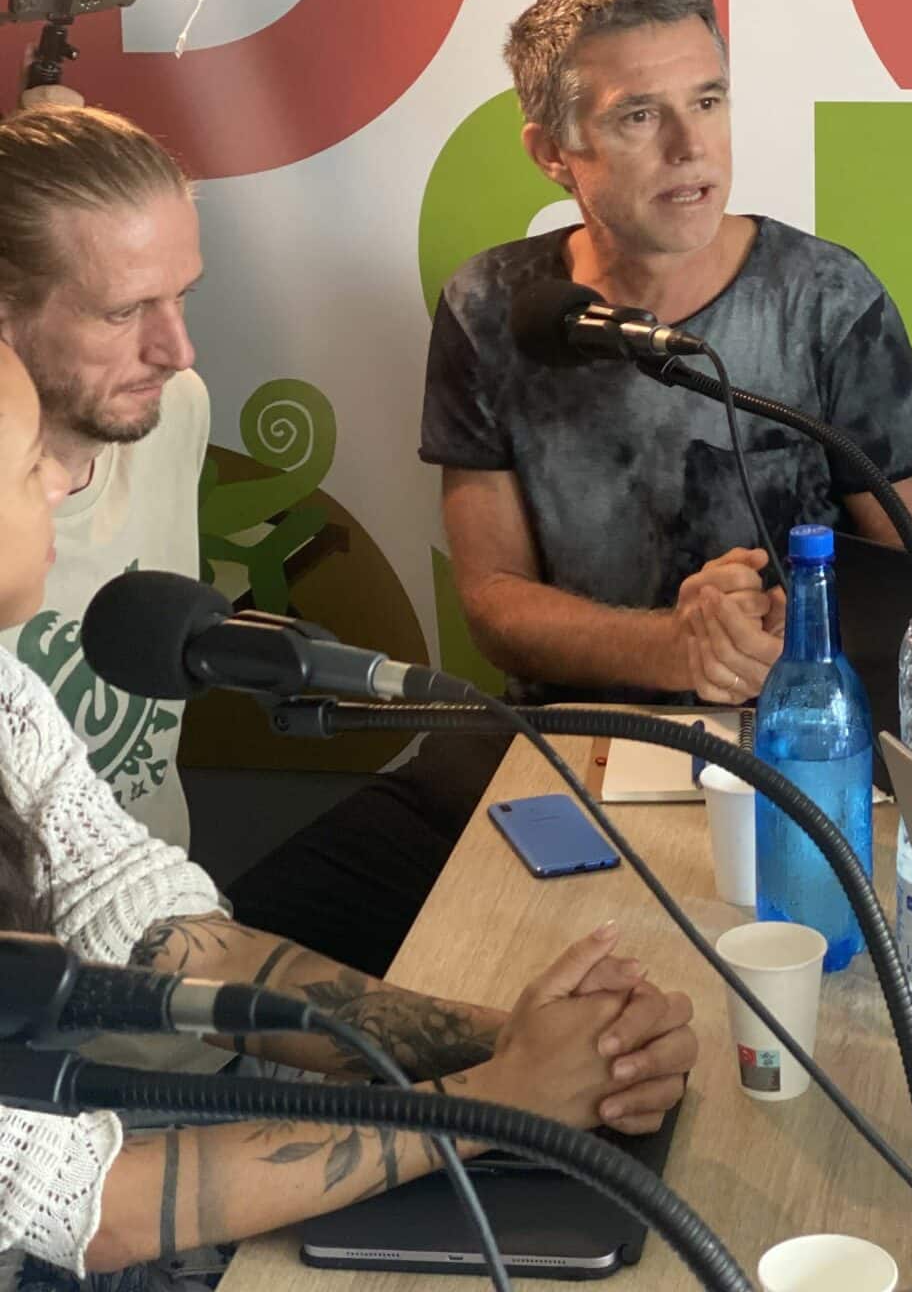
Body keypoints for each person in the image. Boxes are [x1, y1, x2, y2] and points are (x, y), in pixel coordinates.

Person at [229, 0, 912, 973]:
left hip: (788, 746)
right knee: (241, 941)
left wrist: (786, 631)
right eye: (640, 116)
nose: (693, 147)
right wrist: (672, 648)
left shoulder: (829, 299)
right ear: (553, 152)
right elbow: (493, 602)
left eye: (708, 100)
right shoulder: (491, 305)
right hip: (554, 737)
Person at [0, 337, 696, 1290]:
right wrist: (497, 1098)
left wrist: (559, 1046)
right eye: (27, 462)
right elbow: (87, 1206)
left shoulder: (7, 694)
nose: (58, 484)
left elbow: (158, 930)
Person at [0, 107, 207, 849]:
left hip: (173, 898)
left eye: (182, 296)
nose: (177, 351)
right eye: (123, 313)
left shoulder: (175, 409)